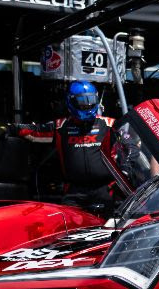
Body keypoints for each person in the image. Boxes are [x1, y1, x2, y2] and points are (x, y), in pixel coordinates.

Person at [13, 81, 117, 211]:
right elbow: (34, 131)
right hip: (74, 192)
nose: (87, 105)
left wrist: (122, 177)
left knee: (107, 228)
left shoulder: (109, 125)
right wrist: (8, 129)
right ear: (71, 101)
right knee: (70, 227)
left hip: (104, 190)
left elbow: (130, 148)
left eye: (90, 100)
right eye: (82, 101)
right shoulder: (60, 126)